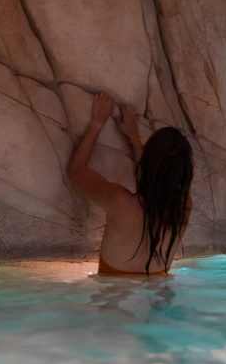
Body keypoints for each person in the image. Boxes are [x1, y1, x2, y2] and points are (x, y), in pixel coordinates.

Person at [67, 92, 193, 276]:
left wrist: (96, 123)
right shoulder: (184, 206)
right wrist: (134, 138)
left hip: (115, 299)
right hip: (158, 299)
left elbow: (76, 172)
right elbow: (159, 178)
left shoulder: (120, 201)